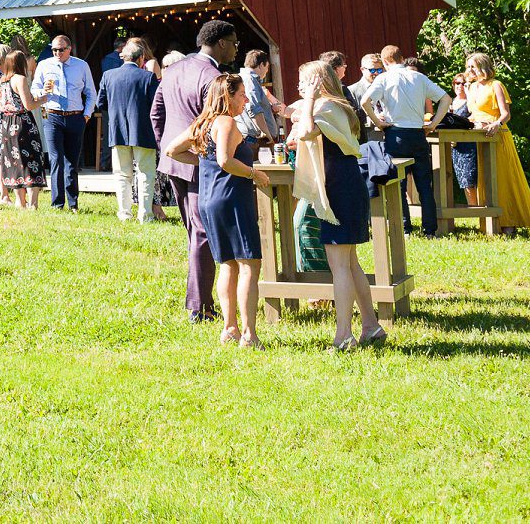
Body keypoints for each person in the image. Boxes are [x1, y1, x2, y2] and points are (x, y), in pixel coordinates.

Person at [288, 59, 383, 350]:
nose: (299, 87)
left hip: (339, 188)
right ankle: (371, 326)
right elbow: (296, 124)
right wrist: (306, 104)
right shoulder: (335, 105)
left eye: (304, 82)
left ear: (317, 83)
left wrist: (310, 100)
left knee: (339, 265)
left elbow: (304, 132)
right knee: (350, 263)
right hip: (344, 184)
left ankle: (344, 335)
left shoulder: (326, 107)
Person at [153, 19, 240, 323]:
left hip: (175, 160)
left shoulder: (174, 69)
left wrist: (168, 148)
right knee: (202, 234)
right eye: (234, 42)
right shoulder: (214, 76)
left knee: (195, 233)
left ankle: (198, 301)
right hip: (199, 162)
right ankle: (200, 307)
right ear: (220, 44)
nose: (236, 48)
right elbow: (212, 121)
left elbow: (157, 114)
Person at [185, 71, 271, 348]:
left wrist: (203, 162)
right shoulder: (226, 122)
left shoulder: (202, 123)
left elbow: (173, 150)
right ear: (228, 96)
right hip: (232, 197)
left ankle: (229, 328)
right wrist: (253, 174)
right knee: (249, 265)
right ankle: (249, 334)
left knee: (228, 265)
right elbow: (225, 160)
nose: (246, 99)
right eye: (242, 94)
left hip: (208, 199)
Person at [362, 48, 450, 236]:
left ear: (385, 62)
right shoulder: (418, 77)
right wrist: (433, 124)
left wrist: (378, 122)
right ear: (402, 58)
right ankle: (430, 230)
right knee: (424, 185)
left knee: (398, 185)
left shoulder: (384, 79)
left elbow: (364, 102)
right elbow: (446, 99)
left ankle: (404, 228)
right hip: (418, 134)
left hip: (395, 134)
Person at [461, 52, 530, 231]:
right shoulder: (472, 88)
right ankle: (491, 223)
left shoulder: (496, 85)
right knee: (485, 179)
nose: (469, 70)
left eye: (472, 67)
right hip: (479, 137)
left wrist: (496, 124)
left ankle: (510, 221)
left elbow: (506, 114)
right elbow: (472, 111)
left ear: (482, 67)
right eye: (468, 67)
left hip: (497, 135)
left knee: (503, 178)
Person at [31, 34, 96, 210]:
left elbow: (91, 92)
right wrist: (40, 92)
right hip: (52, 116)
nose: (57, 53)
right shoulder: (45, 65)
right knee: (55, 159)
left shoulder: (81, 65)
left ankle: (73, 203)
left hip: (76, 116)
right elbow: (34, 88)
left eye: (61, 49)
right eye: (54, 50)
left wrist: (86, 115)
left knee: (72, 162)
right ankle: (57, 203)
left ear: (69, 49)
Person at [102, 38, 160, 224]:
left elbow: (100, 103)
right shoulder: (148, 77)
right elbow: (157, 105)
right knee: (146, 174)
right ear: (141, 58)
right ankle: (145, 215)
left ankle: (124, 214)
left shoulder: (108, 76)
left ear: (123, 57)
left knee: (121, 175)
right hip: (143, 130)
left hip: (117, 131)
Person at [0, 46, 40, 208]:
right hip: (19, 121)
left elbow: (0, 104)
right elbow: (28, 105)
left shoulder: (4, 79)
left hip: (6, 121)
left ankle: (19, 201)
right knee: (29, 159)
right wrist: (43, 99)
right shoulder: (13, 77)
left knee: (12, 160)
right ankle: (30, 202)